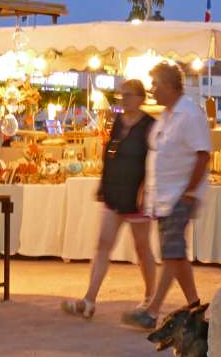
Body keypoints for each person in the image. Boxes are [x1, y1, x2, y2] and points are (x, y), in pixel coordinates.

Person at [122, 63, 212, 331]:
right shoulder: (165, 117)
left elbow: (203, 154)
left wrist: (189, 192)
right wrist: (145, 188)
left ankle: (152, 311)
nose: (152, 90)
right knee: (176, 254)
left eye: (156, 85)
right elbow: (156, 155)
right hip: (163, 196)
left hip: (180, 196)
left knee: (171, 252)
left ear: (170, 86)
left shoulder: (190, 115)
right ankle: (195, 306)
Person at [62, 79, 156, 319]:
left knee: (142, 247)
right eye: (121, 95)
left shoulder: (150, 126)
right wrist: (103, 184)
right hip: (115, 191)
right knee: (103, 244)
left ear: (140, 97)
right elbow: (110, 154)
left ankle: (150, 298)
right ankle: (89, 299)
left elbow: (153, 161)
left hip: (137, 195)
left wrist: (145, 189)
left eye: (128, 95)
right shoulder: (118, 123)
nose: (123, 100)